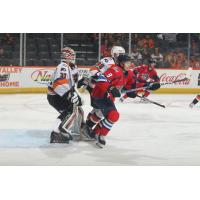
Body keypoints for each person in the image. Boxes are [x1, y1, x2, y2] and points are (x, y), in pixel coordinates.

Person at [83, 55, 131, 148]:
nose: (130, 64)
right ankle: (100, 135)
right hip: (100, 96)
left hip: (107, 97)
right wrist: (111, 88)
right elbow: (101, 78)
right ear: (121, 63)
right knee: (113, 115)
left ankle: (94, 132)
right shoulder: (115, 70)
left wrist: (147, 86)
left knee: (102, 114)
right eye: (127, 62)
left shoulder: (125, 73)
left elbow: (128, 85)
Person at [47, 47, 83, 143]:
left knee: (74, 111)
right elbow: (59, 84)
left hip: (60, 95)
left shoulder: (71, 66)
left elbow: (76, 81)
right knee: (72, 111)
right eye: (72, 55)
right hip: (56, 96)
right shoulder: (63, 66)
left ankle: (58, 132)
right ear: (67, 56)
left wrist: (84, 81)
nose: (74, 57)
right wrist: (70, 95)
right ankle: (58, 132)